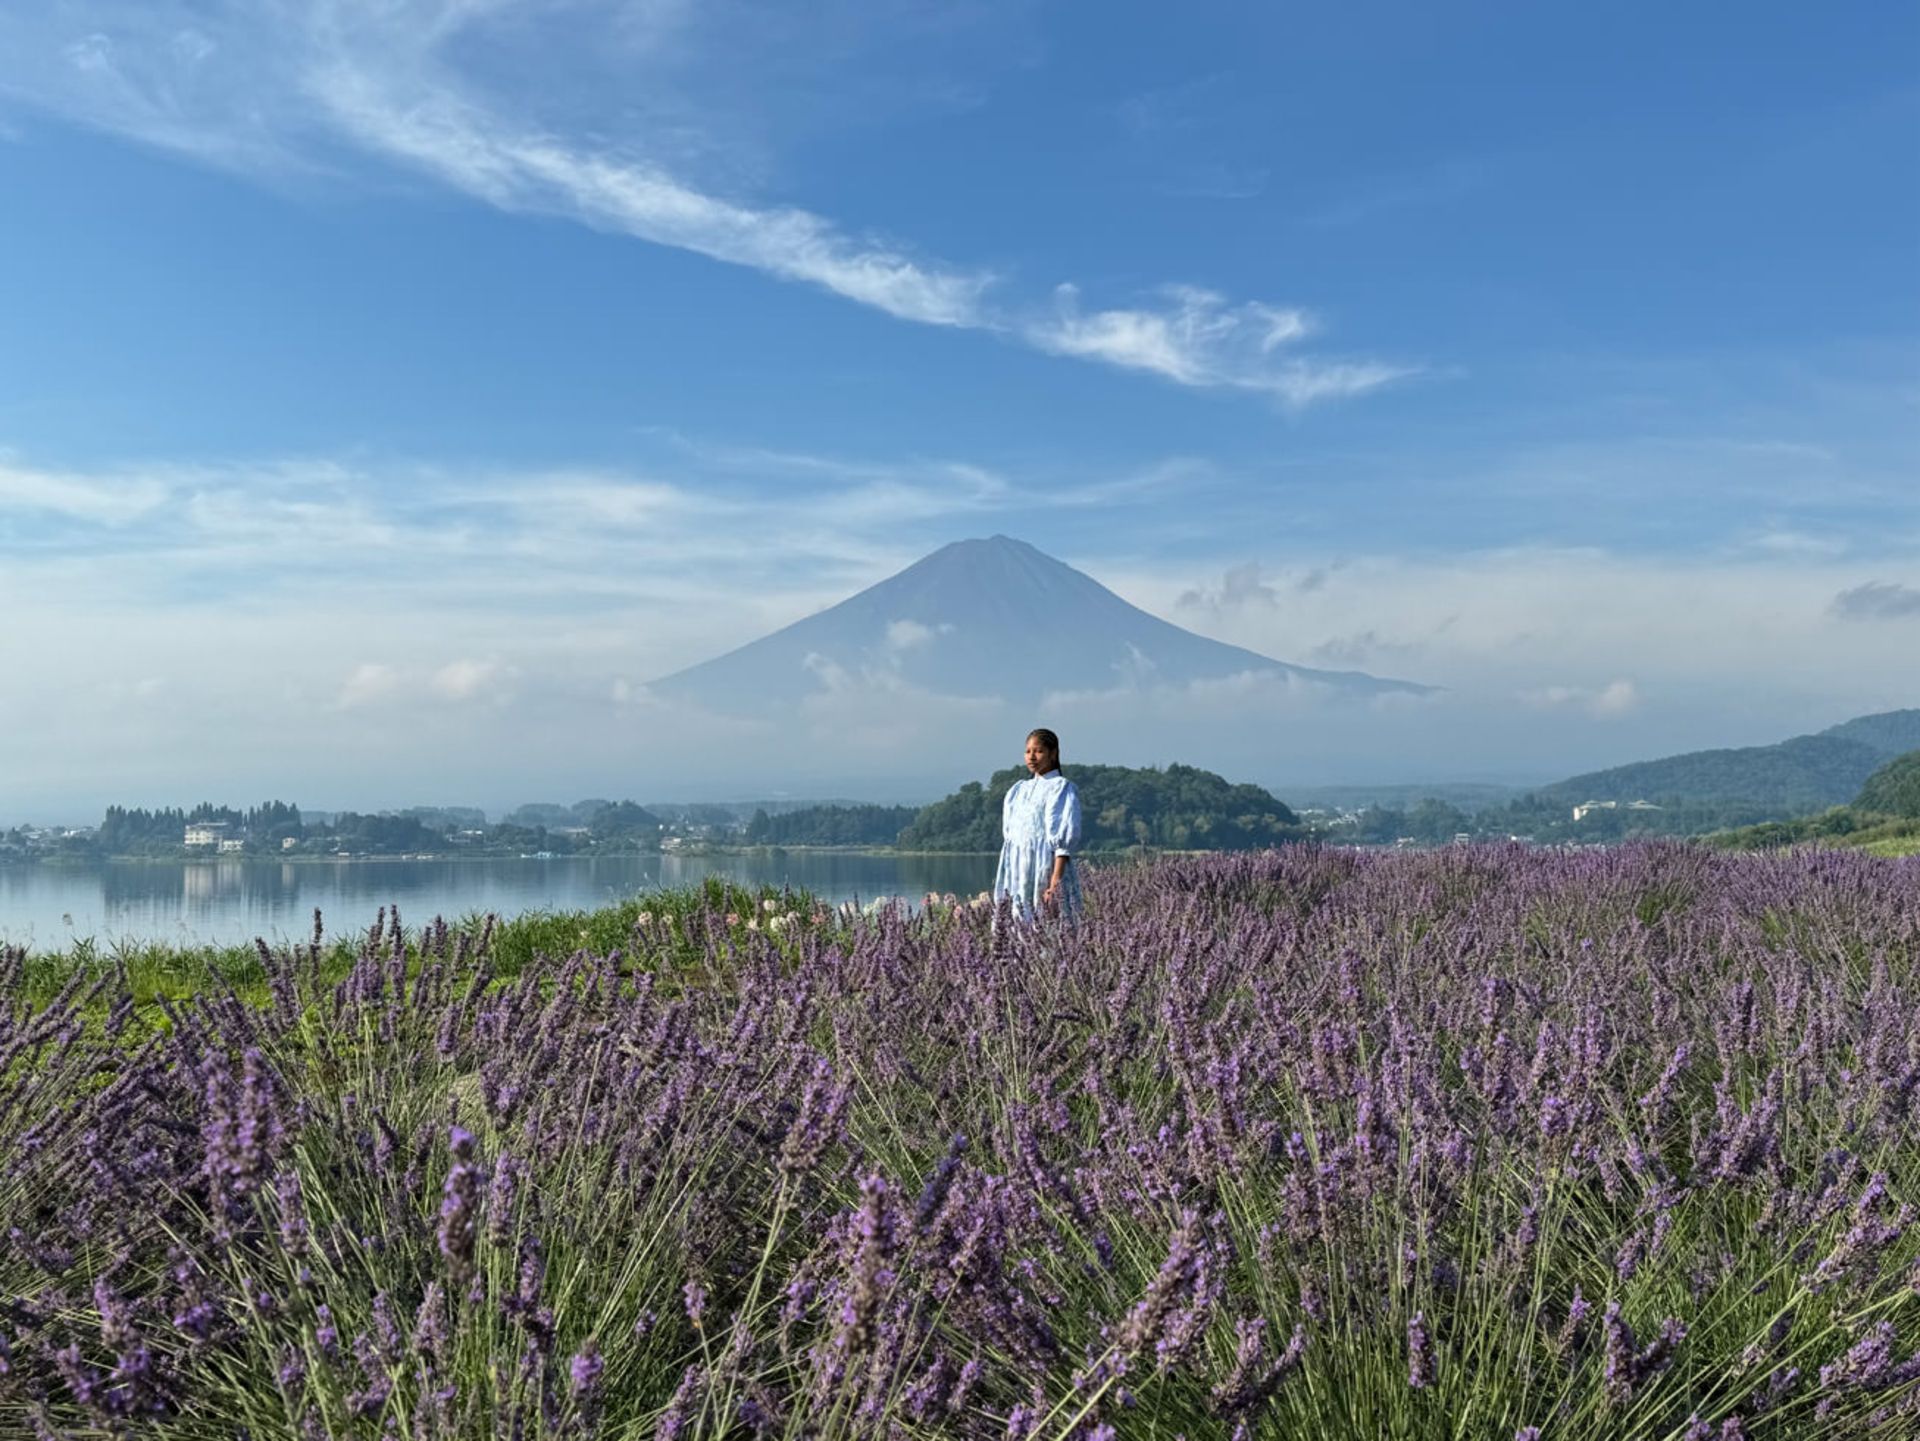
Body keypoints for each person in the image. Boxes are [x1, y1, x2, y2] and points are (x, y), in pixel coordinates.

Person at [993, 728, 1083, 921]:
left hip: (1045, 870)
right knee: (1015, 932)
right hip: (1017, 875)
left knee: (1048, 928)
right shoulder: (1018, 790)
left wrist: (1054, 884)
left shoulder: (1060, 787)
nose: (1031, 757)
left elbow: (1062, 846)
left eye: (1038, 751)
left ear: (1053, 753)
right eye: (1027, 751)